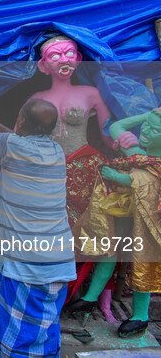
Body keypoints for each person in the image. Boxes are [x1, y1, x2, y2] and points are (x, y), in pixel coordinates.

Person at [0, 98, 76, 357]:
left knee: (22, 338)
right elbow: (17, 137)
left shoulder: (12, 146)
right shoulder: (56, 150)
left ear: (22, 120)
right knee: (43, 327)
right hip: (57, 260)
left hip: (29, 265)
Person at [27, 36, 116, 307]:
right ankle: (50, 291)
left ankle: (91, 296)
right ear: (43, 65)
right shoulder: (36, 99)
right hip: (49, 170)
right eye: (55, 55)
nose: (64, 59)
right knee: (51, 232)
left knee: (92, 228)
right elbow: (22, 138)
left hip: (86, 168)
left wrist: (127, 141)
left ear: (78, 59)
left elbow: (108, 135)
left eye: (69, 53)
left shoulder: (91, 93)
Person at [68, 108, 161, 338]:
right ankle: (90, 298)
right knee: (108, 253)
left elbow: (148, 184)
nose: (146, 132)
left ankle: (140, 315)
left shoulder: (153, 163)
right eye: (146, 127)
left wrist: (120, 178)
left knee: (142, 265)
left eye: (155, 129)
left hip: (148, 226)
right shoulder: (138, 153)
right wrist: (149, 115)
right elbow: (116, 129)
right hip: (123, 215)